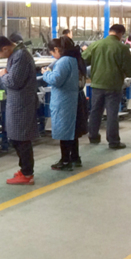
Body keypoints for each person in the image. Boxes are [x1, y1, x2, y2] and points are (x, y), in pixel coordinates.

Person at [0, 34, 39, 185]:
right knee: (16, 137)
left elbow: (14, 81)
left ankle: (27, 174)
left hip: (22, 104)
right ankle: (24, 169)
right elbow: (13, 73)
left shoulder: (21, 56)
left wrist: (2, 75)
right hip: (17, 103)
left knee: (22, 139)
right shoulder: (15, 54)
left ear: (5, 48)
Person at [82, 24, 131, 149]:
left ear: (109, 31)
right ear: (121, 34)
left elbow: (83, 59)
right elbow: (129, 70)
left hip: (97, 84)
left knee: (95, 111)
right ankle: (113, 141)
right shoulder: (122, 48)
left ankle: (93, 136)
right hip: (113, 85)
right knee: (112, 114)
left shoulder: (96, 45)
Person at [42, 36, 84, 171]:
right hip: (71, 99)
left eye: (52, 53)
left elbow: (56, 80)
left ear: (56, 49)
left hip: (63, 101)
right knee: (71, 131)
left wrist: (46, 74)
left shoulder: (63, 61)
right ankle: (75, 157)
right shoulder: (73, 59)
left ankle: (65, 160)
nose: (53, 56)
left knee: (64, 132)